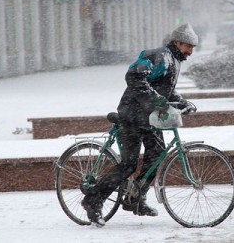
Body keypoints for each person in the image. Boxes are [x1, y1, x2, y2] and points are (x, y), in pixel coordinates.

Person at [81, 23, 199, 226]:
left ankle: (135, 198)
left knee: (158, 153)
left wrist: (181, 101)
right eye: (188, 46)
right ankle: (93, 200)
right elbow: (134, 76)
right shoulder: (160, 56)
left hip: (148, 118)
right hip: (131, 116)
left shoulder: (174, 61)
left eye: (192, 47)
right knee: (128, 164)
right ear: (177, 42)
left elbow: (164, 91)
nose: (190, 51)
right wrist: (155, 101)